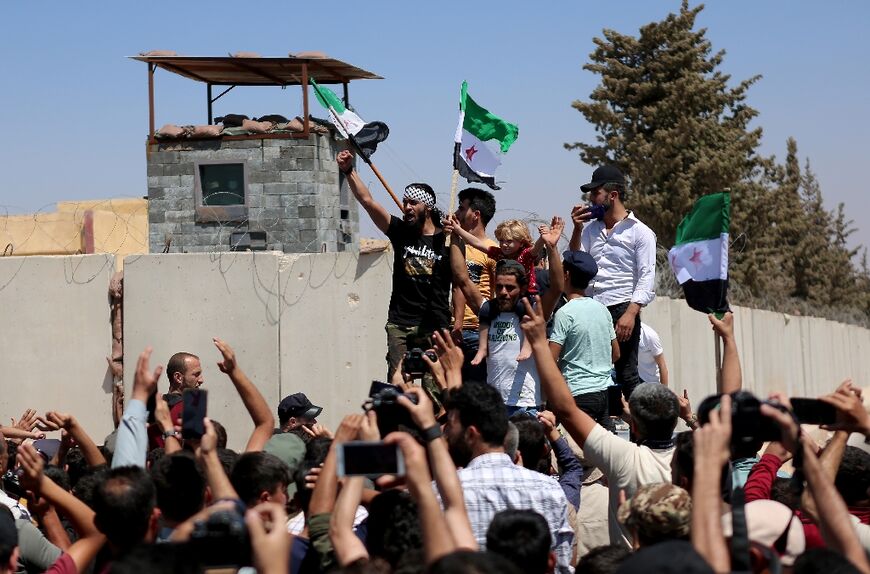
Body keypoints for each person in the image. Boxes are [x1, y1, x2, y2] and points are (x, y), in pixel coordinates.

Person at [337, 149, 452, 398]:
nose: (407, 207)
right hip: (400, 323)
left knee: (435, 391)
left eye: (413, 203)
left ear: (428, 207)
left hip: (433, 326)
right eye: (405, 202)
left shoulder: (447, 239)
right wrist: (348, 170)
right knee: (399, 387)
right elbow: (368, 202)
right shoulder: (400, 231)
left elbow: (462, 281)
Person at [442, 381, 574, 573]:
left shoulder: (441, 494)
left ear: (471, 434)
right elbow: (563, 567)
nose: (446, 434)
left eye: (450, 426)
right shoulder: (551, 490)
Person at [569, 165, 656, 400]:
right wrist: (577, 229)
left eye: (595, 193)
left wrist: (631, 313)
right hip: (593, 308)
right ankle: (603, 430)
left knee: (626, 375)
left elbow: (646, 276)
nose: (590, 199)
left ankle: (649, 427)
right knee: (594, 375)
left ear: (612, 195)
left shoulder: (640, 232)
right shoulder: (591, 230)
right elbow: (576, 262)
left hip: (621, 307)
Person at [549, 250, 620, 427]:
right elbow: (616, 354)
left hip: (579, 393)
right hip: (608, 393)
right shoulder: (602, 309)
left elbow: (550, 359)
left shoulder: (565, 313)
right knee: (606, 451)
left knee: (574, 451)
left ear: (566, 274)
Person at [450, 187, 498, 383]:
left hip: (479, 331)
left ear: (475, 215)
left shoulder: (492, 250)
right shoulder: (453, 246)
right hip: (454, 331)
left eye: (462, 209)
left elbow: (498, 293)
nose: (456, 214)